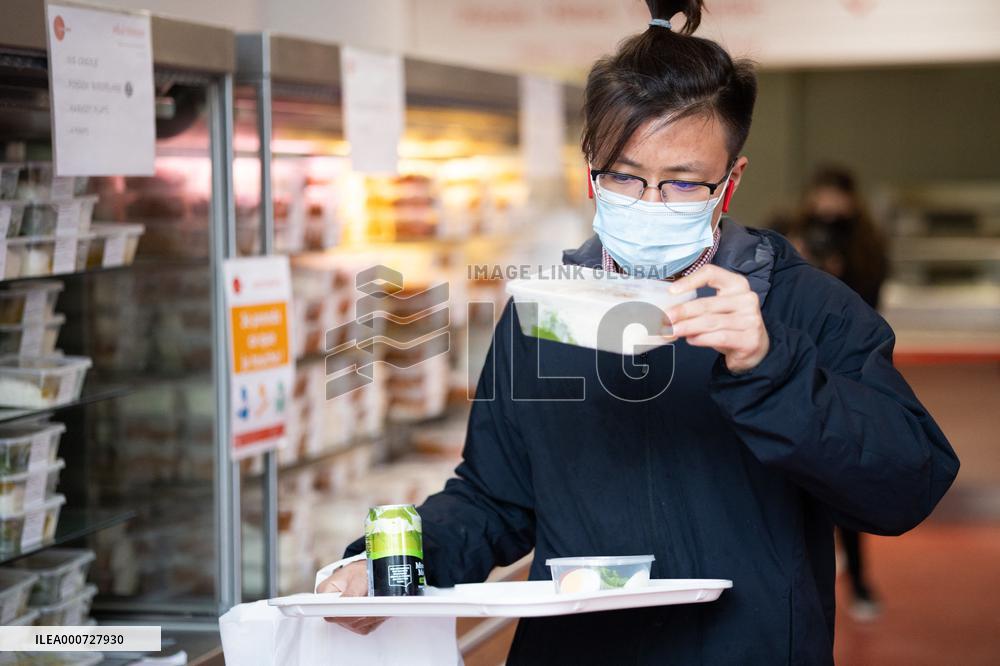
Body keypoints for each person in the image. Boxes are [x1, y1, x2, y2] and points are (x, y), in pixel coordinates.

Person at [319, 2, 959, 663]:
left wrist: (770, 366)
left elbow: (906, 487)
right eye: (625, 176)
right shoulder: (545, 313)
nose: (649, 203)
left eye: (682, 183)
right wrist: (389, 563)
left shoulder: (803, 307)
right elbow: (495, 497)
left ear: (729, 185)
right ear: (591, 172)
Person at [785, 165, 891, 621]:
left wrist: (837, 277)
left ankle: (860, 580)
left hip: (847, 373)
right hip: (797, 365)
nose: (827, 206)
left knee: (845, 475)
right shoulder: (788, 232)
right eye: (821, 194)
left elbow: (872, 306)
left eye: (835, 196)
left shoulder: (867, 245)